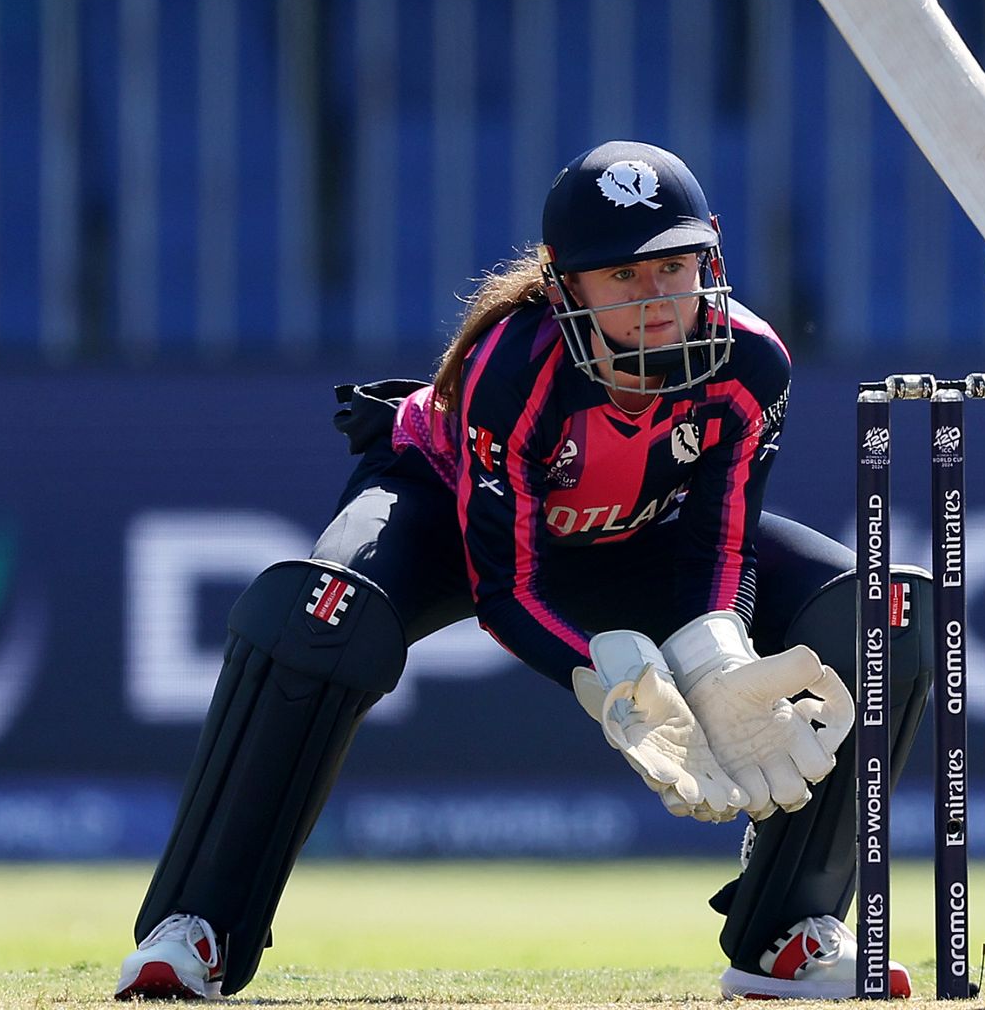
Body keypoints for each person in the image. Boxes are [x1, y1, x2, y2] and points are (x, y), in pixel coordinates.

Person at [115, 141, 931, 1002]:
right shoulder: (514, 367)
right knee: (320, 615)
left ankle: (787, 939)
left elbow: (717, 546)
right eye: (622, 276)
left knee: (884, 616)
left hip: (641, 533)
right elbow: (507, 587)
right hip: (448, 519)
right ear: (562, 281)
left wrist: (716, 656)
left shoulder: (751, 363)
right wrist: (617, 682)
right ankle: (199, 926)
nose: (656, 298)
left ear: (711, 253)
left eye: (675, 266)